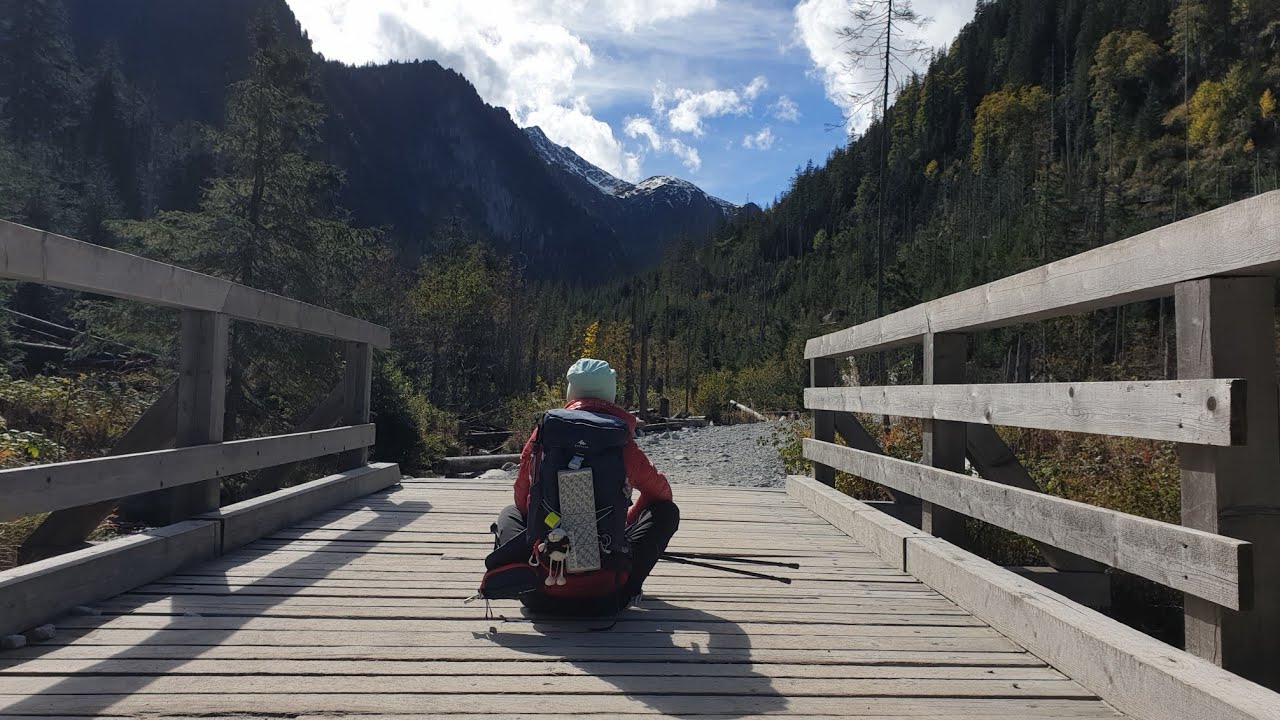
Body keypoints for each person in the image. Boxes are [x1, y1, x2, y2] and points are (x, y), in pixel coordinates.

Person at [490, 358, 679, 615]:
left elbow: (523, 501)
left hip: (539, 595)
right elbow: (661, 495)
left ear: (571, 392)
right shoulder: (620, 441)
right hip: (607, 597)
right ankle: (629, 586)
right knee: (667, 511)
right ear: (610, 394)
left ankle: (524, 576)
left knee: (509, 513)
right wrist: (622, 526)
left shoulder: (543, 436)